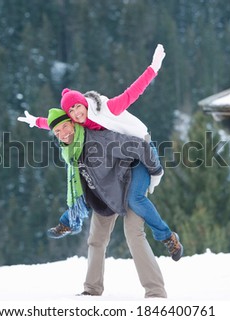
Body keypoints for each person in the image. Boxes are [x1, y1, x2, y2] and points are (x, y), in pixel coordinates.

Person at [18, 44, 179, 253]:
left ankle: (167, 237)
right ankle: (69, 220)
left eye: (77, 106)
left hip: (140, 152)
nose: (76, 112)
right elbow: (59, 125)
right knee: (92, 183)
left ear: (84, 103)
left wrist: (153, 68)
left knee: (135, 198)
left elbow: (133, 93)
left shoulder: (107, 109)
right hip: (117, 158)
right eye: (71, 111)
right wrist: (38, 122)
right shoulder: (79, 124)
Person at [47, 108, 182, 297]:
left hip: (129, 181)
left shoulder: (99, 139)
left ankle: (155, 293)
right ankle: (92, 290)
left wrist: (156, 171)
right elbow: (84, 187)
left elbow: (140, 146)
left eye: (65, 126)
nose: (63, 133)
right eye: (57, 132)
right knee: (96, 239)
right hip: (106, 192)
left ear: (74, 124)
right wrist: (68, 219)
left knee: (134, 234)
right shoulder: (71, 152)